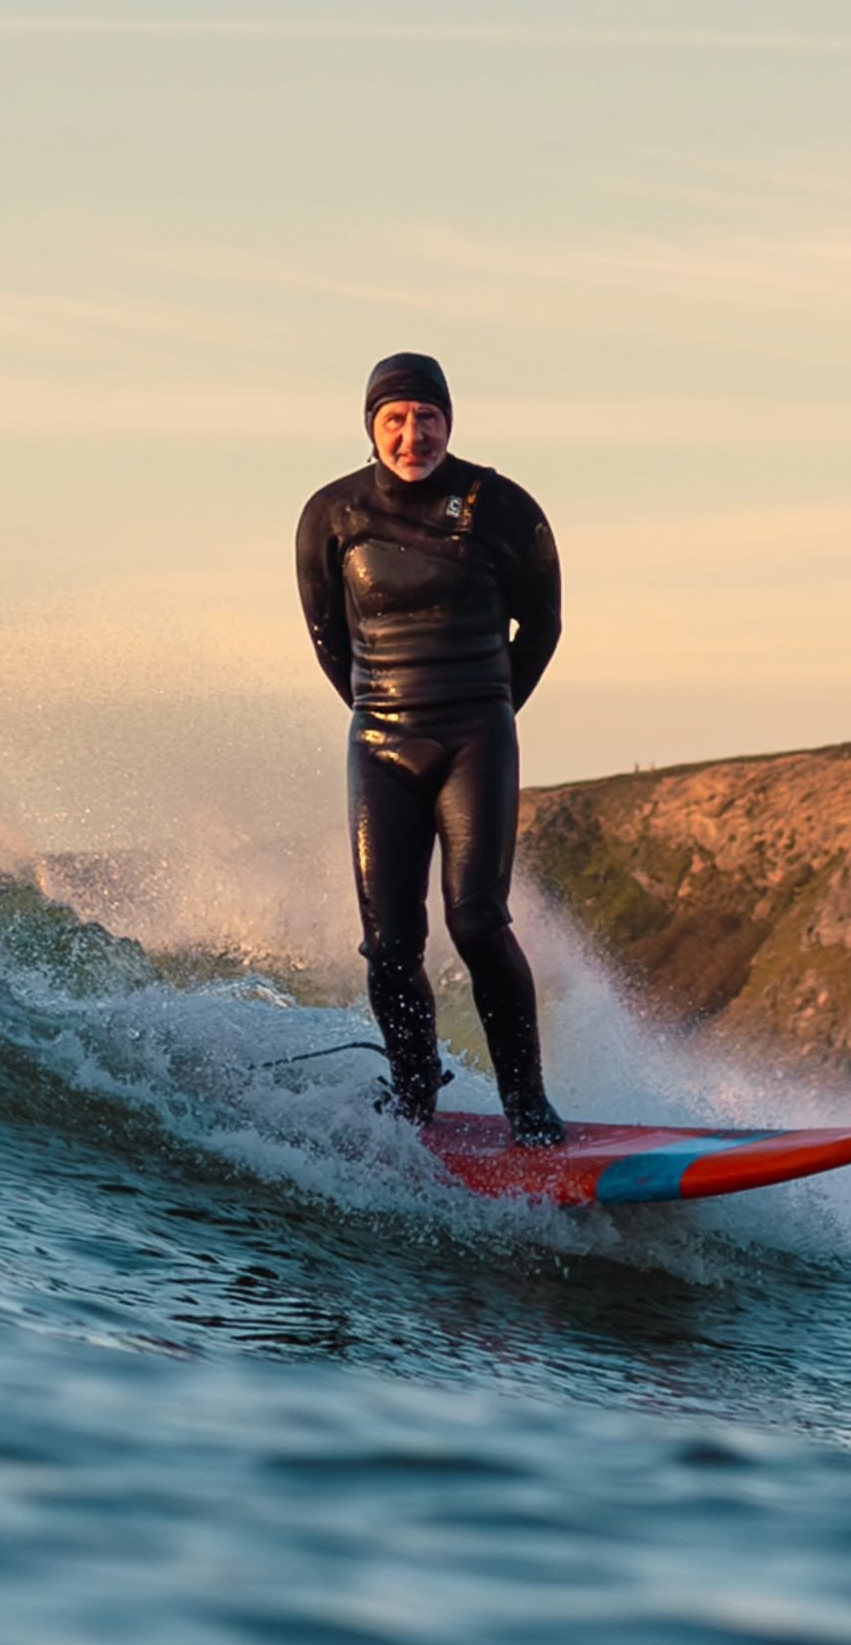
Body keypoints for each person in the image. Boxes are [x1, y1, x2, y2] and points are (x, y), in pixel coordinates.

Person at [295, 352, 566, 1146]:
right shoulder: (331, 514)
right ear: (372, 426)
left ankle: (528, 1105)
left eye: (429, 418)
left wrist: (489, 705)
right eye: (396, 419)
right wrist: (382, 708)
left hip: (477, 734)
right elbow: (325, 634)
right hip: (380, 741)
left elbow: (543, 628)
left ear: (450, 421)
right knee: (388, 943)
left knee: (478, 920)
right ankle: (415, 1098)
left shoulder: (504, 507)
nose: (413, 434)